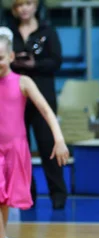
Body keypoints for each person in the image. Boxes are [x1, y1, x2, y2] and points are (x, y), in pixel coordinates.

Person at [0, 28, 69, 238]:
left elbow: (47, 111)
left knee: (3, 202)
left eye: (0, 57)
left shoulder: (23, 82)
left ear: (10, 57)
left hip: (15, 151)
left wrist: (58, 139)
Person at [7, 0, 67, 209]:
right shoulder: (7, 31)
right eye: (18, 5)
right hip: (14, 98)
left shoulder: (47, 30)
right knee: (20, 149)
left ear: (36, 6)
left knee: (47, 145)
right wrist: (15, 63)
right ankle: (27, 195)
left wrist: (35, 64)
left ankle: (58, 194)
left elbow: (56, 61)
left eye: (28, 3)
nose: (23, 8)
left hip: (42, 93)